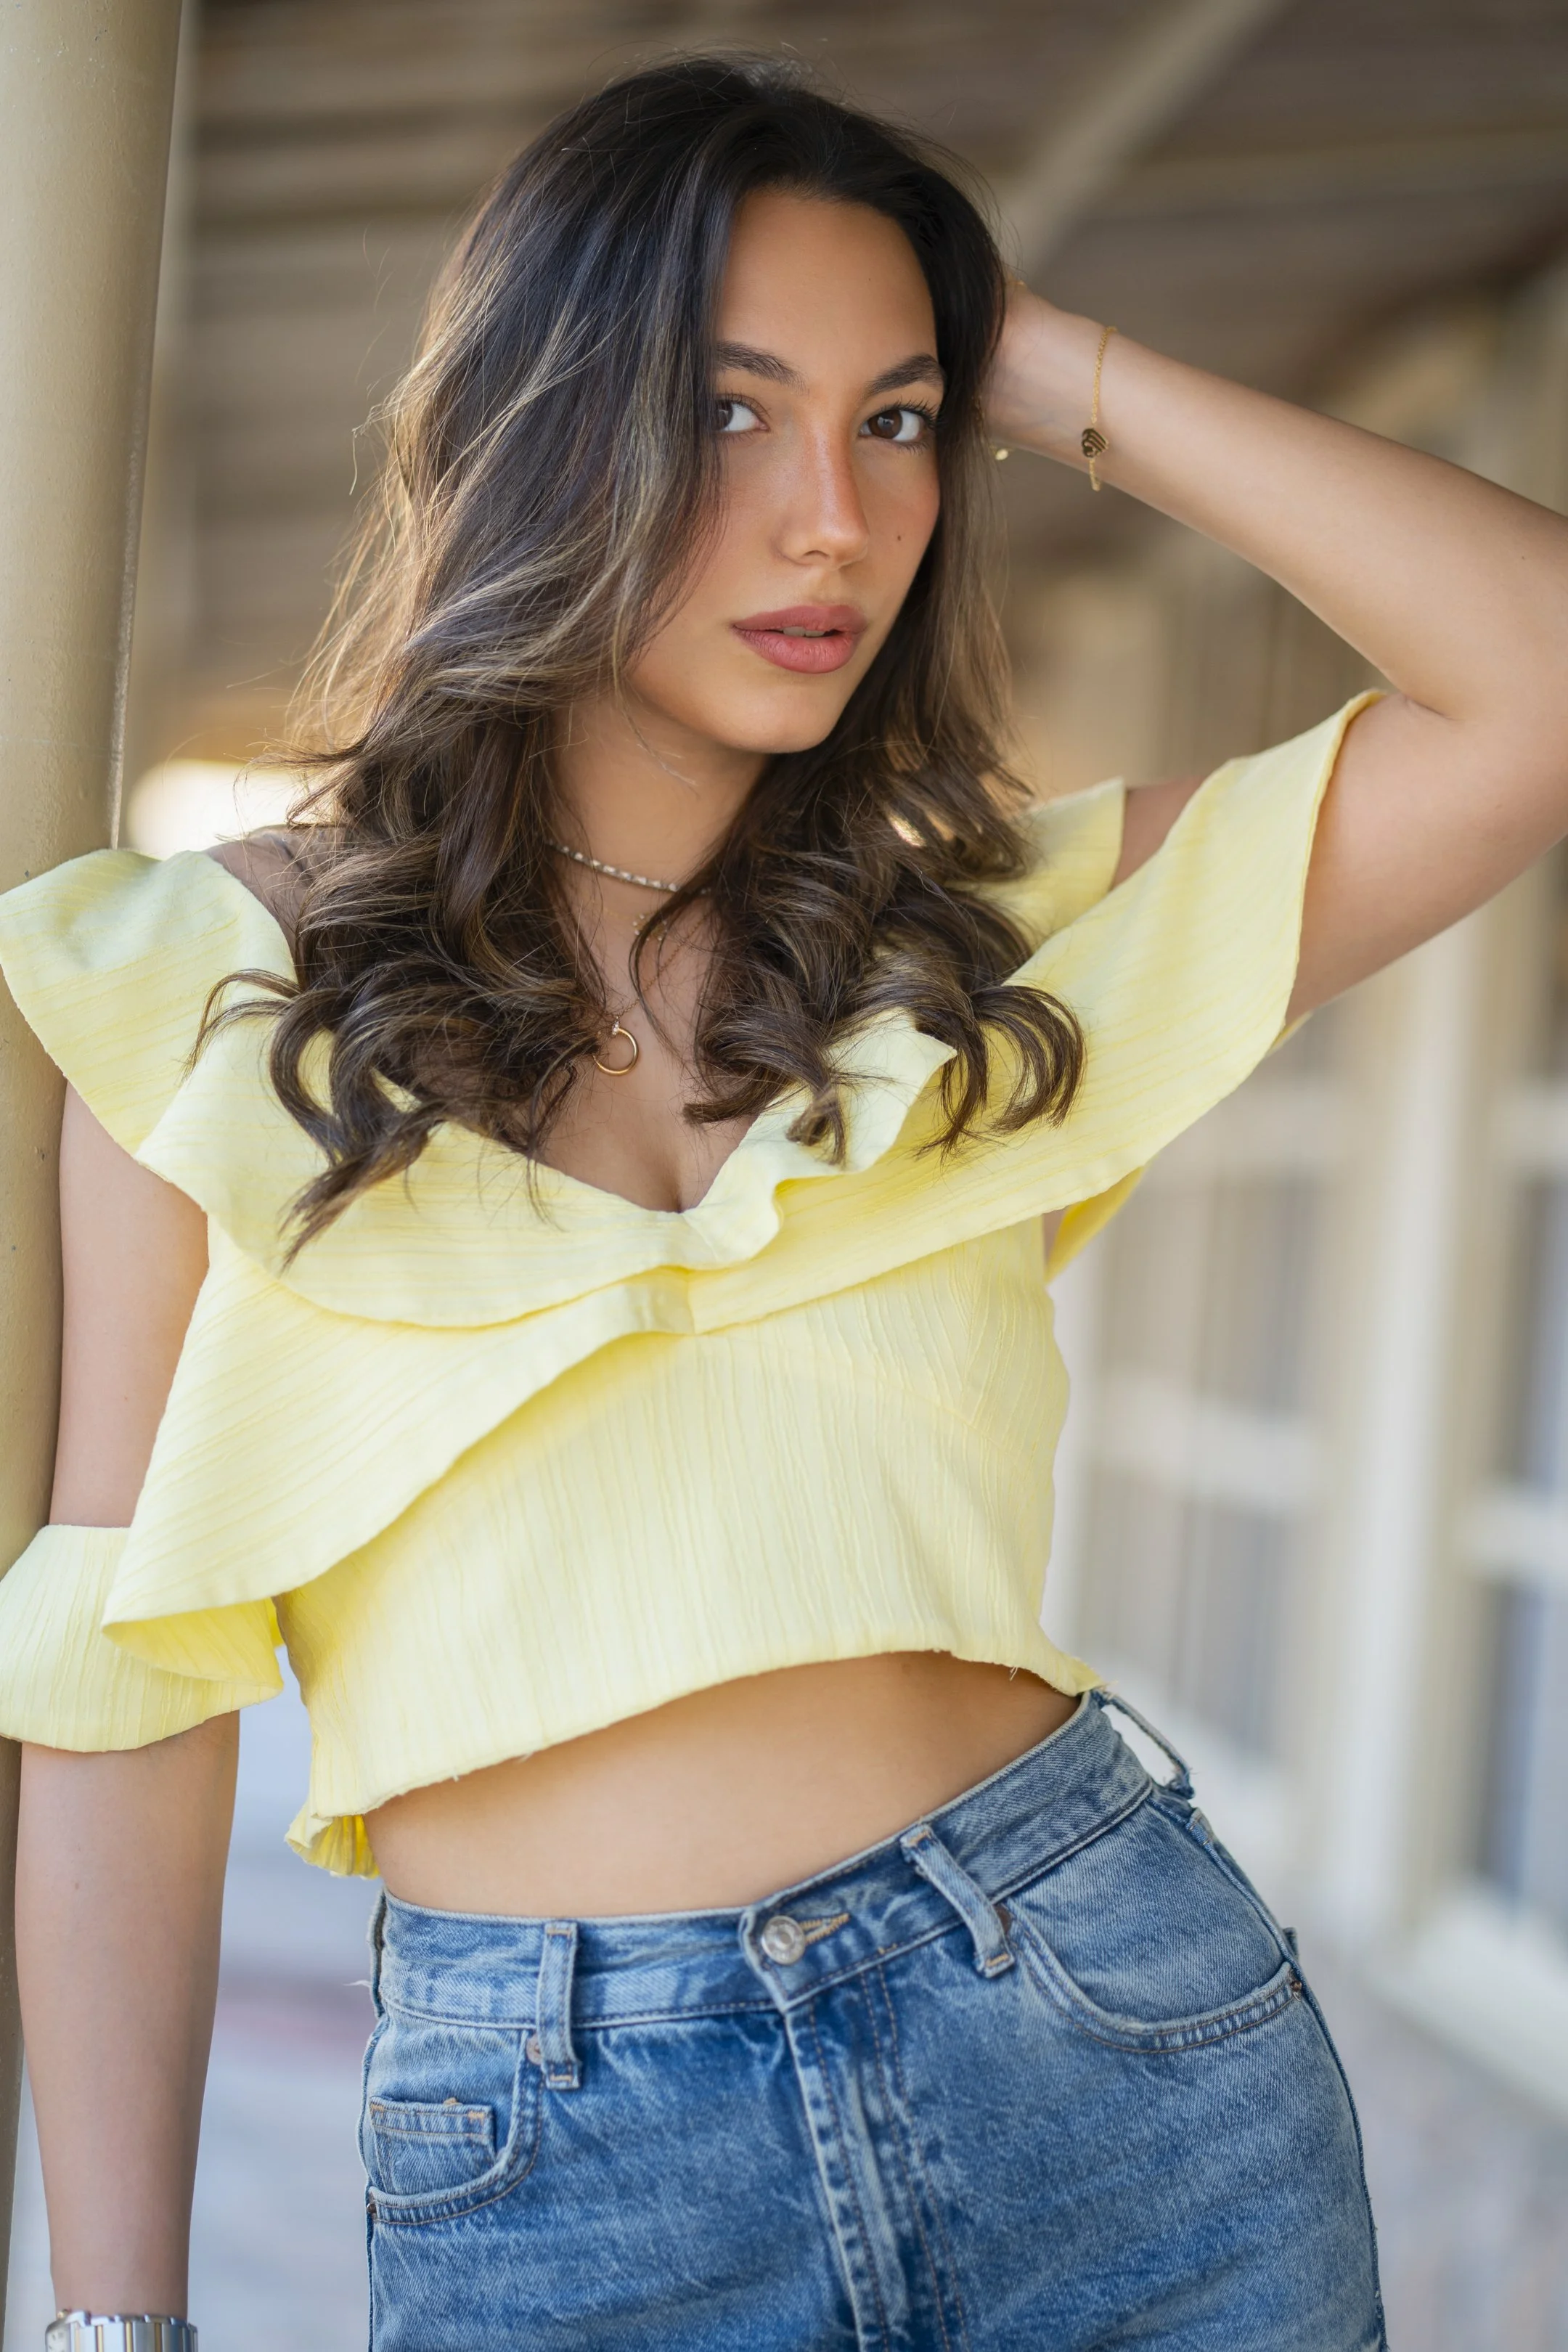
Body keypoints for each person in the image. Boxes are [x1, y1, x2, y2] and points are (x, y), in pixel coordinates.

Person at [3, 52, 1567, 2352]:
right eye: (728, 415)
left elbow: (1534, 681)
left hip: (1108, 2049)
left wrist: (1041, 355)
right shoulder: (206, 991)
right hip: (563, 2154)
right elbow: (122, 1709)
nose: (832, 519)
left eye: (898, 424)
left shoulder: (996, 947)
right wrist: (112, 2325)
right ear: (545, 430)